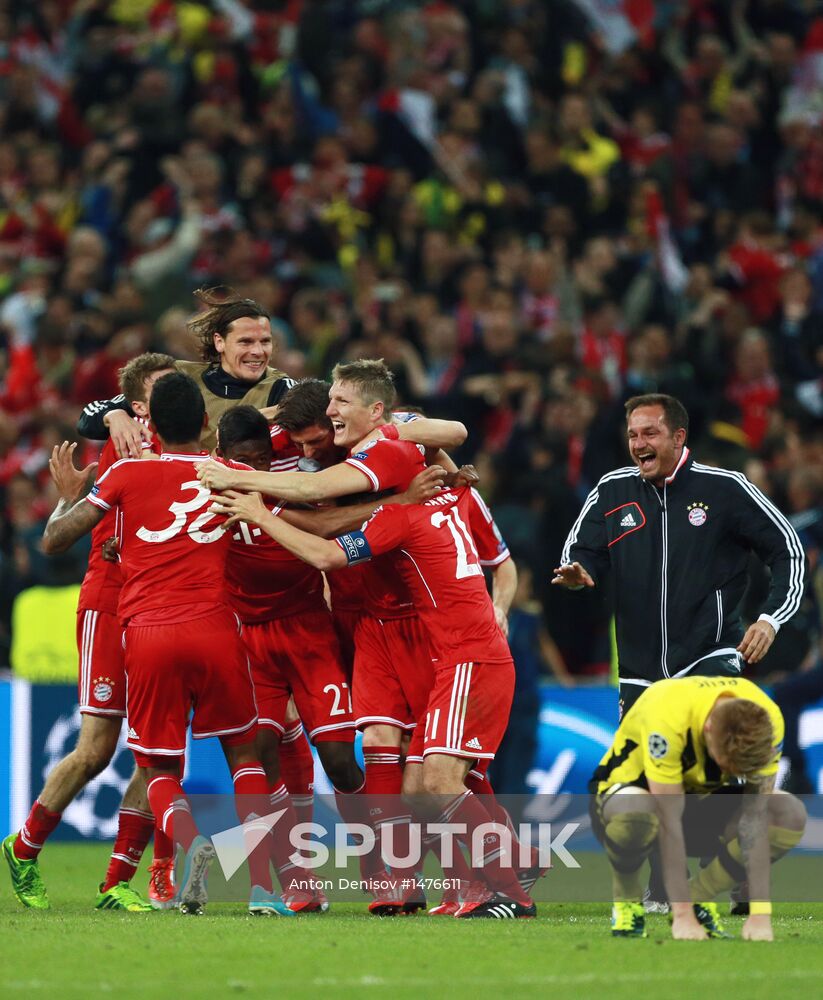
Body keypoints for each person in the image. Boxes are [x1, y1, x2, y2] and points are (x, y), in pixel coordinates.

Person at [37, 372, 315, 917]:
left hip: (147, 635)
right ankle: (262, 891)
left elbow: (55, 541)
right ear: (207, 425)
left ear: (153, 428)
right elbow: (295, 519)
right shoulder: (233, 472)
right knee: (244, 758)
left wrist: (69, 500)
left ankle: (192, 843)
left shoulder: (127, 475)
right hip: (217, 629)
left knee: (159, 768)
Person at [211, 478, 537, 919]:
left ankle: (489, 873)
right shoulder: (327, 473)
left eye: (345, 405)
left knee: (441, 769)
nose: (330, 426)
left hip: (428, 634)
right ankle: (402, 879)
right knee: (384, 747)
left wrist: (498, 606)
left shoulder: (435, 494)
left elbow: (502, 563)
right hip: (366, 628)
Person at [2, 352, 176, 914]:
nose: (168, 398)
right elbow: (90, 415)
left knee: (157, 756)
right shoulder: (117, 444)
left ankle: (117, 881)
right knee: (97, 749)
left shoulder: (191, 446)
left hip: (168, 608)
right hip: (111, 601)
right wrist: (72, 494)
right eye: (154, 392)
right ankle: (24, 847)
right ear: (133, 403)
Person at [553, 393, 805, 718]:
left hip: (710, 658)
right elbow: (579, 555)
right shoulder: (611, 492)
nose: (638, 444)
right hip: (638, 675)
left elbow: (790, 551)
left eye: (650, 433)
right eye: (632, 435)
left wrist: (770, 619)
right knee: (645, 770)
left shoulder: (725, 489)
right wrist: (577, 575)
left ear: (678, 437)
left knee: (715, 762)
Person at [590, 674, 806, 941]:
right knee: (638, 811)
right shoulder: (668, 716)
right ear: (708, 729)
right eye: (726, 766)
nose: (729, 773)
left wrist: (760, 915)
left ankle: (698, 895)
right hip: (627, 805)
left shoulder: (768, 720)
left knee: (787, 812)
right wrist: (682, 917)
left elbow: (755, 817)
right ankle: (627, 900)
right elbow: (669, 821)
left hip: (698, 802)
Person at [76, 288, 295, 456]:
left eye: (265, 342)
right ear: (219, 342)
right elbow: (87, 419)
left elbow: (311, 412)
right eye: (246, 342)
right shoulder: (178, 376)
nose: (257, 351)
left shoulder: (280, 387)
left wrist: (261, 416)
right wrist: (115, 415)